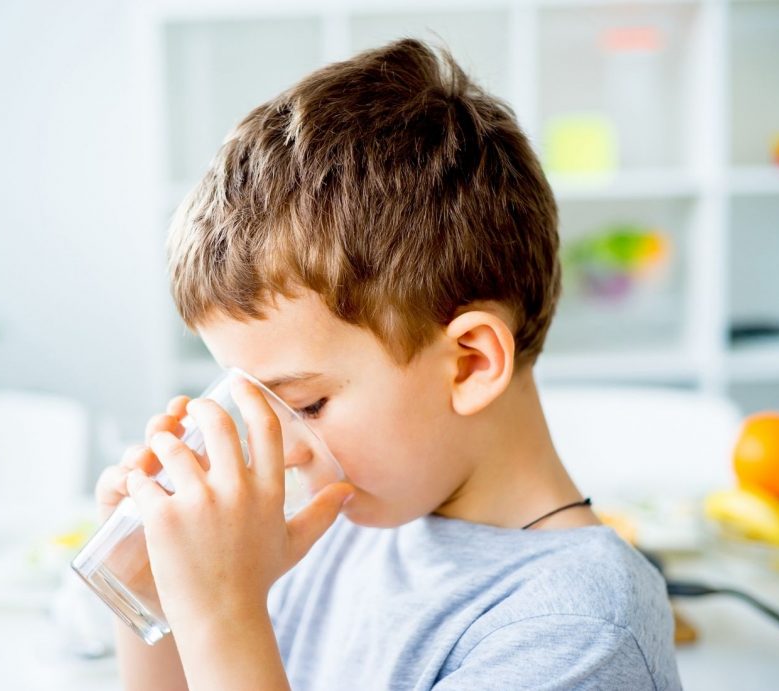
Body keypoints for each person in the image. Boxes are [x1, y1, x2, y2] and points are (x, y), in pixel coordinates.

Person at [94, 38, 682, 690]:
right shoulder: (342, 530)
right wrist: (153, 590)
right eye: (256, 402)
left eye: (307, 404)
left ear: (469, 364)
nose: (282, 451)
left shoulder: (579, 628)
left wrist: (224, 615)